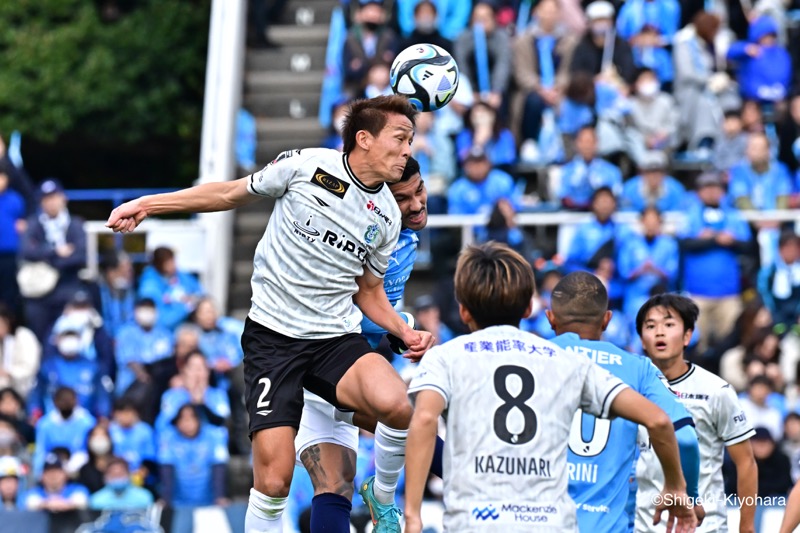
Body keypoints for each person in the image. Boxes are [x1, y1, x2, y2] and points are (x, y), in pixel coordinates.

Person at [106, 95, 433, 533]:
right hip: (274, 341)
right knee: (274, 482)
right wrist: (149, 204)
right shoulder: (305, 167)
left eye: (411, 140)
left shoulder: (388, 217)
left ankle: (384, 498)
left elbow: (369, 292)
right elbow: (227, 193)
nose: (409, 150)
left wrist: (403, 332)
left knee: (397, 405)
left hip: (333, 340)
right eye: (400, 138)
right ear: (364, 139)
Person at [403, 242, 697, 532]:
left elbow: (423, 420)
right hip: (553, 523)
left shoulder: (447, 356)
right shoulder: (565, 362)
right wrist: (676, 487)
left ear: (463, 311)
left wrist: (413, 515)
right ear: (529, 308)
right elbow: (659, 421)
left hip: (476, 522)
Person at [295, 157, 430, 531]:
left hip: (342, 369)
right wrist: (404, 327)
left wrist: (399, 332)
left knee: (335, 485)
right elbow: (351, 308)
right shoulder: (359, 237)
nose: (416, 204)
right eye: (402, 199)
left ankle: (381, 498)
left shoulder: (404, 237)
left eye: (419, 190)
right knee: (415, 425)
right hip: (325, 363)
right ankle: (384, 498)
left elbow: (373, 312)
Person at [545, 271, 701, 532]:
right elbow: (684, 438)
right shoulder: (638, 368)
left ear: (550, 318)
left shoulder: (530, 359)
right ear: (607, 319)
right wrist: (687, 494)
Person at [635, 293, 758, 532]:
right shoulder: (629, 390)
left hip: (705, 526)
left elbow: (746, 463)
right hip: (646, 526)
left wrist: (746, 527)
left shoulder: (715, 390)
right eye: (650, 326)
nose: (659, 332)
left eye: (669, 325)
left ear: (687, 336)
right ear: (642, 339)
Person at [20, 178, 87, 343]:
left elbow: (80, 256)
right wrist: (55, 252)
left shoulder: (75, 224)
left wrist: (46, 259)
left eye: (54, 197)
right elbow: (26, 251)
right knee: (34, 322)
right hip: (40, 291)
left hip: (68, 286)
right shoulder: (34, 224)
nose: (51, 202)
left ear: (63, 198)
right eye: (46, 199)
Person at [158, 404, 229, 508]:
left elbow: (218, 468)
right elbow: (166, 471)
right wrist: (166, 500)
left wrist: (219, 497)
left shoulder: (213, 436)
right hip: (177, 503)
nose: (187, 422)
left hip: (209, 503)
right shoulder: (169, 438)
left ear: (199, 420)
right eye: (183, 418)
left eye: (191, 417)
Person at [137, 247, 204, 331]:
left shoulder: (179, 274)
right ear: (159, 265)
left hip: (188, 327)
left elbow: (199, 291)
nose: (174, 265)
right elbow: (161, 321)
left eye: (173, 261)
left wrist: (192, 298)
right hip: (163, 333)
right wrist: (186, 307)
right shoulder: (149, 287)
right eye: (168, 263)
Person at [0, 304, 41, 399]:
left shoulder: (24, 336)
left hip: (25, 389)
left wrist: (8, 373)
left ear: (6, 320)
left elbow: (29, 368)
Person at [24, 453, 89, 512]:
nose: (53, 476)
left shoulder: (77, 489)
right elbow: (31, 503)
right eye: (49, 472)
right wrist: (50, 504)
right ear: (42, 476)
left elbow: (81, 501)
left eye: (57, 472)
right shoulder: (34, 492)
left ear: (65, 474)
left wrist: (60, 505)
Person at [89, 457, 153, 510]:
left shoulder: (144, 497)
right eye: (114, 475)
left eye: (120, 474)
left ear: (129, 475)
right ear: (105, 477)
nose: (117, 478)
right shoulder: (96, 500)